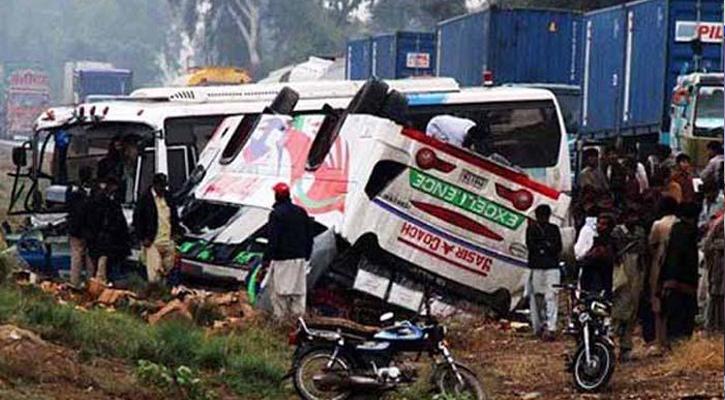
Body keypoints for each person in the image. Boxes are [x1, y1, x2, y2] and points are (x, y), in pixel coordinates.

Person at [264, 182, 314, 319]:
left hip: (282, 260)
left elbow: (273, 239)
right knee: (298, 293)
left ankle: (281, 322)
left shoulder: (276, 214)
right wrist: (307, 255)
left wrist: (267, 259)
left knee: (280, 293)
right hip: (300, 259)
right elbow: (310, 236)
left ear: (276, 196)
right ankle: (298, 321)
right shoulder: (301, 212)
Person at [660, 203, 700, 343]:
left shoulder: (677, 230)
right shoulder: (688, 232)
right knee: (684, 316)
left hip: (674, 278)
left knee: (675, 315)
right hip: (684, 279)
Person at [611, 207, 647, 361]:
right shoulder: (617, 233)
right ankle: (611, 343)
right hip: (622, 269)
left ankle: (626, 347)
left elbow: (644, 253)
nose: (633, 220)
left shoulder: (640, 231)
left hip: (637, 271)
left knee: (633, 308)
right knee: (618, 308)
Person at [133, 173, 182, 284]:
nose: (162, 189)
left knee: (168, 268)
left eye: (164, 186)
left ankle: (165, 291)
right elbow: (137, 220)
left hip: (168, 239)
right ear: (155, 185)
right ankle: (155, 292)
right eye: (161, 186)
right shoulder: (145, 199)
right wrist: (143, 237)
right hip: (153, 241)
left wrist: (176, 232)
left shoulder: (168, 197)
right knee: (154, 271)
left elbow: (174, 216)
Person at [525, 205, 563, 340]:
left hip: (551, 267)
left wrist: (542, 247)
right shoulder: (532, 229)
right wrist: (546, 247)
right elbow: (531, 246)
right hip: (537, 266)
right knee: (537, 297)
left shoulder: (553, 229)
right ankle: (539, 325)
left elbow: (558, 247)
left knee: (551, 296)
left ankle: (551, 327)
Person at [647, 196, 679, 354]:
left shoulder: (658, 225)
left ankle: (661, 341)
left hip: (659, 265)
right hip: (676, 267)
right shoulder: (679, 223)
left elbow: (651, 245)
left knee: (658, 305)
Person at [87, 176, 131, 284]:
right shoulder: (103, 200)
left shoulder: (110, 199)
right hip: (104, 237)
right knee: (102, 260)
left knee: (104, 261)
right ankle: (100, 282)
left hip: (108, 236)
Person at [68, 166, 95, 288]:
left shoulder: (72, 189)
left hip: (76, 230)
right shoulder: (93, 191)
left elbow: (69, 208)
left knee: (76, 258)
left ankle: (75, 283)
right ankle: (90, 284)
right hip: (88, 230)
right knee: (90, 258)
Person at [578, 213, 616, 298]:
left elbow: (610, 258)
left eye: (603, 224)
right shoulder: (595, 239)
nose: (599, 226)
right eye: (598, 223)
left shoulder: (612, 242)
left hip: (604, 279)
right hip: (589, 279)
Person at [703, 214, 724, 332]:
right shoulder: (718, 223)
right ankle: (714, 327)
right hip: (718, 267)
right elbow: (707, 246)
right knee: (717, 297)